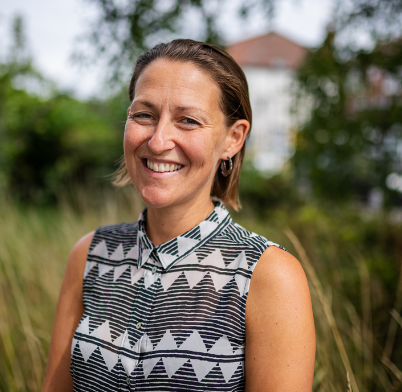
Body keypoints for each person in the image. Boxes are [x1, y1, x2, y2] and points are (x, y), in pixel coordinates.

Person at [42, 39, 315, 391]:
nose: (158, 141)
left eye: (187, 120)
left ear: (233, 139)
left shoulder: (269, 277)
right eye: (144, 115)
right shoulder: (90, 254)